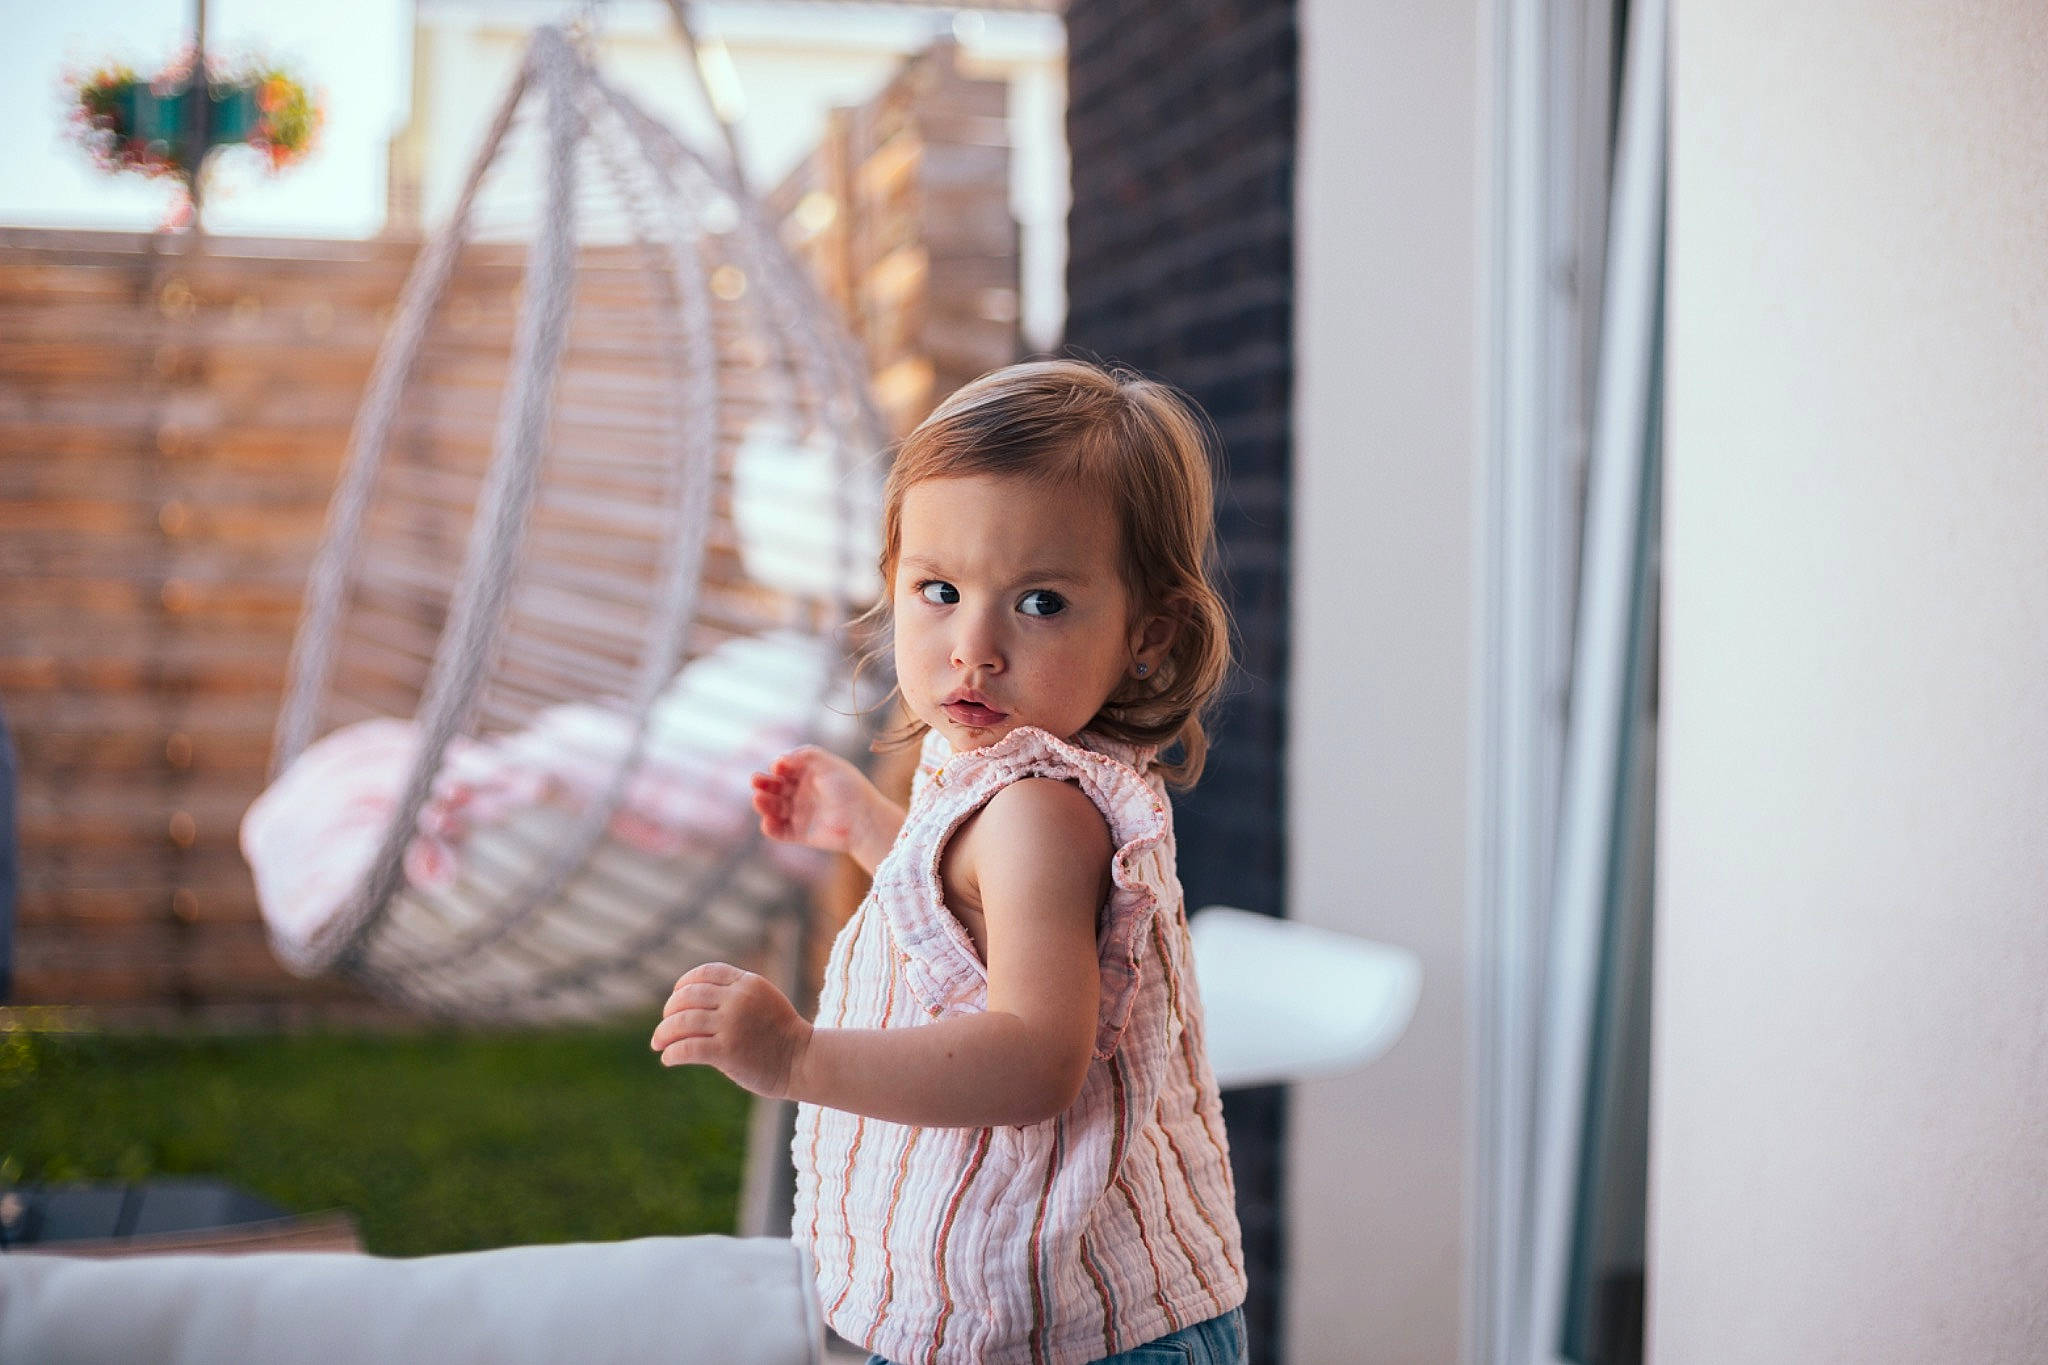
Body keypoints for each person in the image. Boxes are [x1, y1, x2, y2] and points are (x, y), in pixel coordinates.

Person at [651, 359, 1247, 1365]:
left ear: (1147, 634)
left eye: (1040, 604)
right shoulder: (1008, 777)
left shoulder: (1040, 812)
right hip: (1050, 1309)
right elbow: (976, 922)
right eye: (938, 590)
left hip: (1059, 1338)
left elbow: (1031, 1057)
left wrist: (796, 1059)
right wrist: (871, 829)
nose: (973, 646)